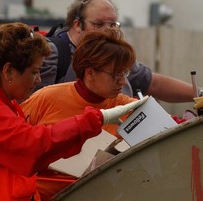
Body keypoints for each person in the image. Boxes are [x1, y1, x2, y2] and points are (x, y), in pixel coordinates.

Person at [0, 22, 148, 201]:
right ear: (8, 71)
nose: (39, 79)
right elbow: (33, 148)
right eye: (34, 72)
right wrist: (98, 118)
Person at [21, 28, 149, 200]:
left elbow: (170, 126)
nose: (123, 81)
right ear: (90, 73)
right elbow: (13, 148)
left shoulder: (126, 106)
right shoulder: (44, 99)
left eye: (125, 72)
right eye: (116, 74)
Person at [35, 0, 203, 101]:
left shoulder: (114, 55)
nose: (108, 30)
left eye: (113, 24)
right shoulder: (52, 53)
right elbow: (36, 108)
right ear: (77, 24)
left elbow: (153, 83)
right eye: (98, 24)